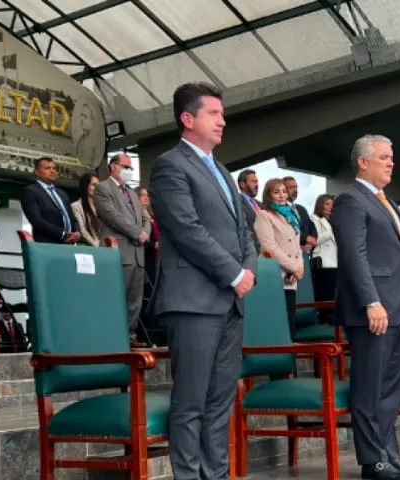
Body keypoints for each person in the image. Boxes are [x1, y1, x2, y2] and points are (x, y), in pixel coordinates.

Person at [149, 82, 256, 480]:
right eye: (214, 113)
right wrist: (233, 273)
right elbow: (187, 230)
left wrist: (248, 271)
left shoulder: (224, 172)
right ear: (188, 119)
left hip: (229, 303)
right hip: (192, 303)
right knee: (191, 402)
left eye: (222, 114)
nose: (223, 121)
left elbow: (245, 230)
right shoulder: (169, 166)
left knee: (219, 403)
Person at [331, 134, 400, 480]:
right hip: (373, 310)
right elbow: (354, 256)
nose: (391, 163)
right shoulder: (350, 201)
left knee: (391, 388)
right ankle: (373, 461)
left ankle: (390, 455)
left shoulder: (388, 201)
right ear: (363, 161)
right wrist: (372, 301)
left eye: (392, 157)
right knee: (369, 387)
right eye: (384, 157)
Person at [94, 153, 150, 348]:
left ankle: (130, 336)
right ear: (113, 167)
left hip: (137, 253)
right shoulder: (103, 189)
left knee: (134, 299)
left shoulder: (132, 193)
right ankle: (112, 336)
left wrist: (145, 232)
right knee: (116, 295)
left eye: (131, 168)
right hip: (119, 251)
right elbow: (113, 216)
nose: (129, 171)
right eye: (126, 167)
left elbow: (145, 217)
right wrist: (137, 233)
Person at [254, 178, 304, 340]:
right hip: (274, 275)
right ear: (268, 196)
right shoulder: (264, 215)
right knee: (276, 325)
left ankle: (291, 363)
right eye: (276, 192)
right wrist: (293, 267)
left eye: (284, 191)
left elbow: (297, 247)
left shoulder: (290, 216)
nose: (282, 195)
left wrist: (299, 268)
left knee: (290, 324)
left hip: (292, 277)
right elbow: (268, 247)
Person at [70, 172, 100, 247]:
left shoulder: (101, 206)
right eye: (93, 185)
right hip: (87, 247)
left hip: (104, 246)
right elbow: (82, 230)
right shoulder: (76, 206)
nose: (97, 188)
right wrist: (97, 245)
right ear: (85, 186)